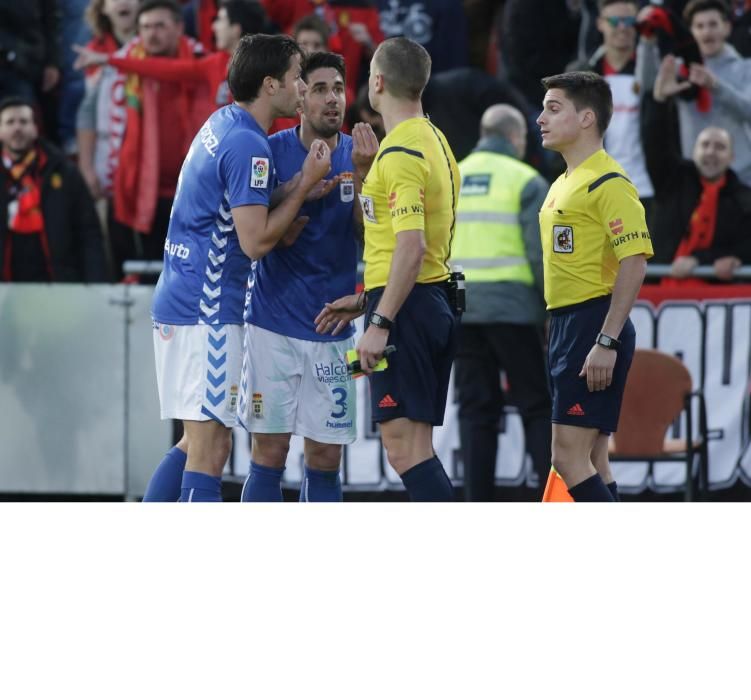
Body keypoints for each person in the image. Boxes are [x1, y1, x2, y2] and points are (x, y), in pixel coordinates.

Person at [145, 33, 332, 502]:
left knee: (194, 441)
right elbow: (256, 241)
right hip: (206, 311)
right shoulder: (250, 145)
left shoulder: (224, 123)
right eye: (297, 79)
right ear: (270, 85)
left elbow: (239, 206)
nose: (303, 90)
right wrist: (307, 180)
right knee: (211, 447)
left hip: (181, 299)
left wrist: (293, 190)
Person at [315, 37, 460, 501]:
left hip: (408, 311)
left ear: (377, 82)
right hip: (427, 300)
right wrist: (366, 300)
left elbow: (411, 247)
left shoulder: (399, 154)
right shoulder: (434, 139)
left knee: (402, 449)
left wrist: (380, 320)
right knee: (416, 445)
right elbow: (408, 243)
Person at [237, 52, 379, 502]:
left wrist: (362, 175)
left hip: (335, 330)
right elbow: (255, 235)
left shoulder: (361, 155)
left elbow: (368, 237)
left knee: (325, 459)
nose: (332, 99)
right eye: (319, 89)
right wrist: (301, 192)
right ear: (300, 97)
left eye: (338, 88)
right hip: (272, 326)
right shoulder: (269, 151)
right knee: (270, 453)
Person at [536, 71, 653, 501]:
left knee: (567, 457)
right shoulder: (562, 183)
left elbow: (635, 262)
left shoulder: (610, 183)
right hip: (569, 324)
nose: (540, 119)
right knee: (593, 456)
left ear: (587, 118)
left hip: (593, 323)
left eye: (553, 108)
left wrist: (606, 338)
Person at [451, 104, 552, 501]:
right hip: (515, 311)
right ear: (515, 138)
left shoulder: (453, 175)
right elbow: (540, 254)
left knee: (476, 411)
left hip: (463, 310)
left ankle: (478, 504)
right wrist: (551, 308)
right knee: (536, 406)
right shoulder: (526, 180)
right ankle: (553, 498)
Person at [643, 54, 751, 279]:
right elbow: (655, 142)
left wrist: (703, 261)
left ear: (732, 157)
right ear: (693, 151)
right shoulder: (672, 180)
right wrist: (659, 101)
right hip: (658, 295)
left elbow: (745, 248)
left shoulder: (744, 199)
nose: (711, 152)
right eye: (705, 145)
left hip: (714, 301)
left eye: (720, 147)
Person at [637, 0, 751, 185]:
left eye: (713, 24)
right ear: (691, 31)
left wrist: (716, 86)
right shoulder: (681, 68)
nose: (707, 32)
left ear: (727, 28)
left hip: (742, 177)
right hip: (695, 176)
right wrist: (647, 42)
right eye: (699, 26)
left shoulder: (746, 68)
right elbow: (648, 89)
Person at [0, 97, 109, 282]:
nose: (17, 128)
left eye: (24, 122)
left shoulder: (65, 172)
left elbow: (88, 232)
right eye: (10, 122)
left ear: (35, 129)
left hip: (56, 287)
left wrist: (96, 284)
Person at [571, 0, 655, 216]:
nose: (622, 27)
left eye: (629, 21)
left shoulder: (653, 72)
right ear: (600, 23)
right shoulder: (581, 75)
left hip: (647, 188)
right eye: (614, 21)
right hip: (596, 188)